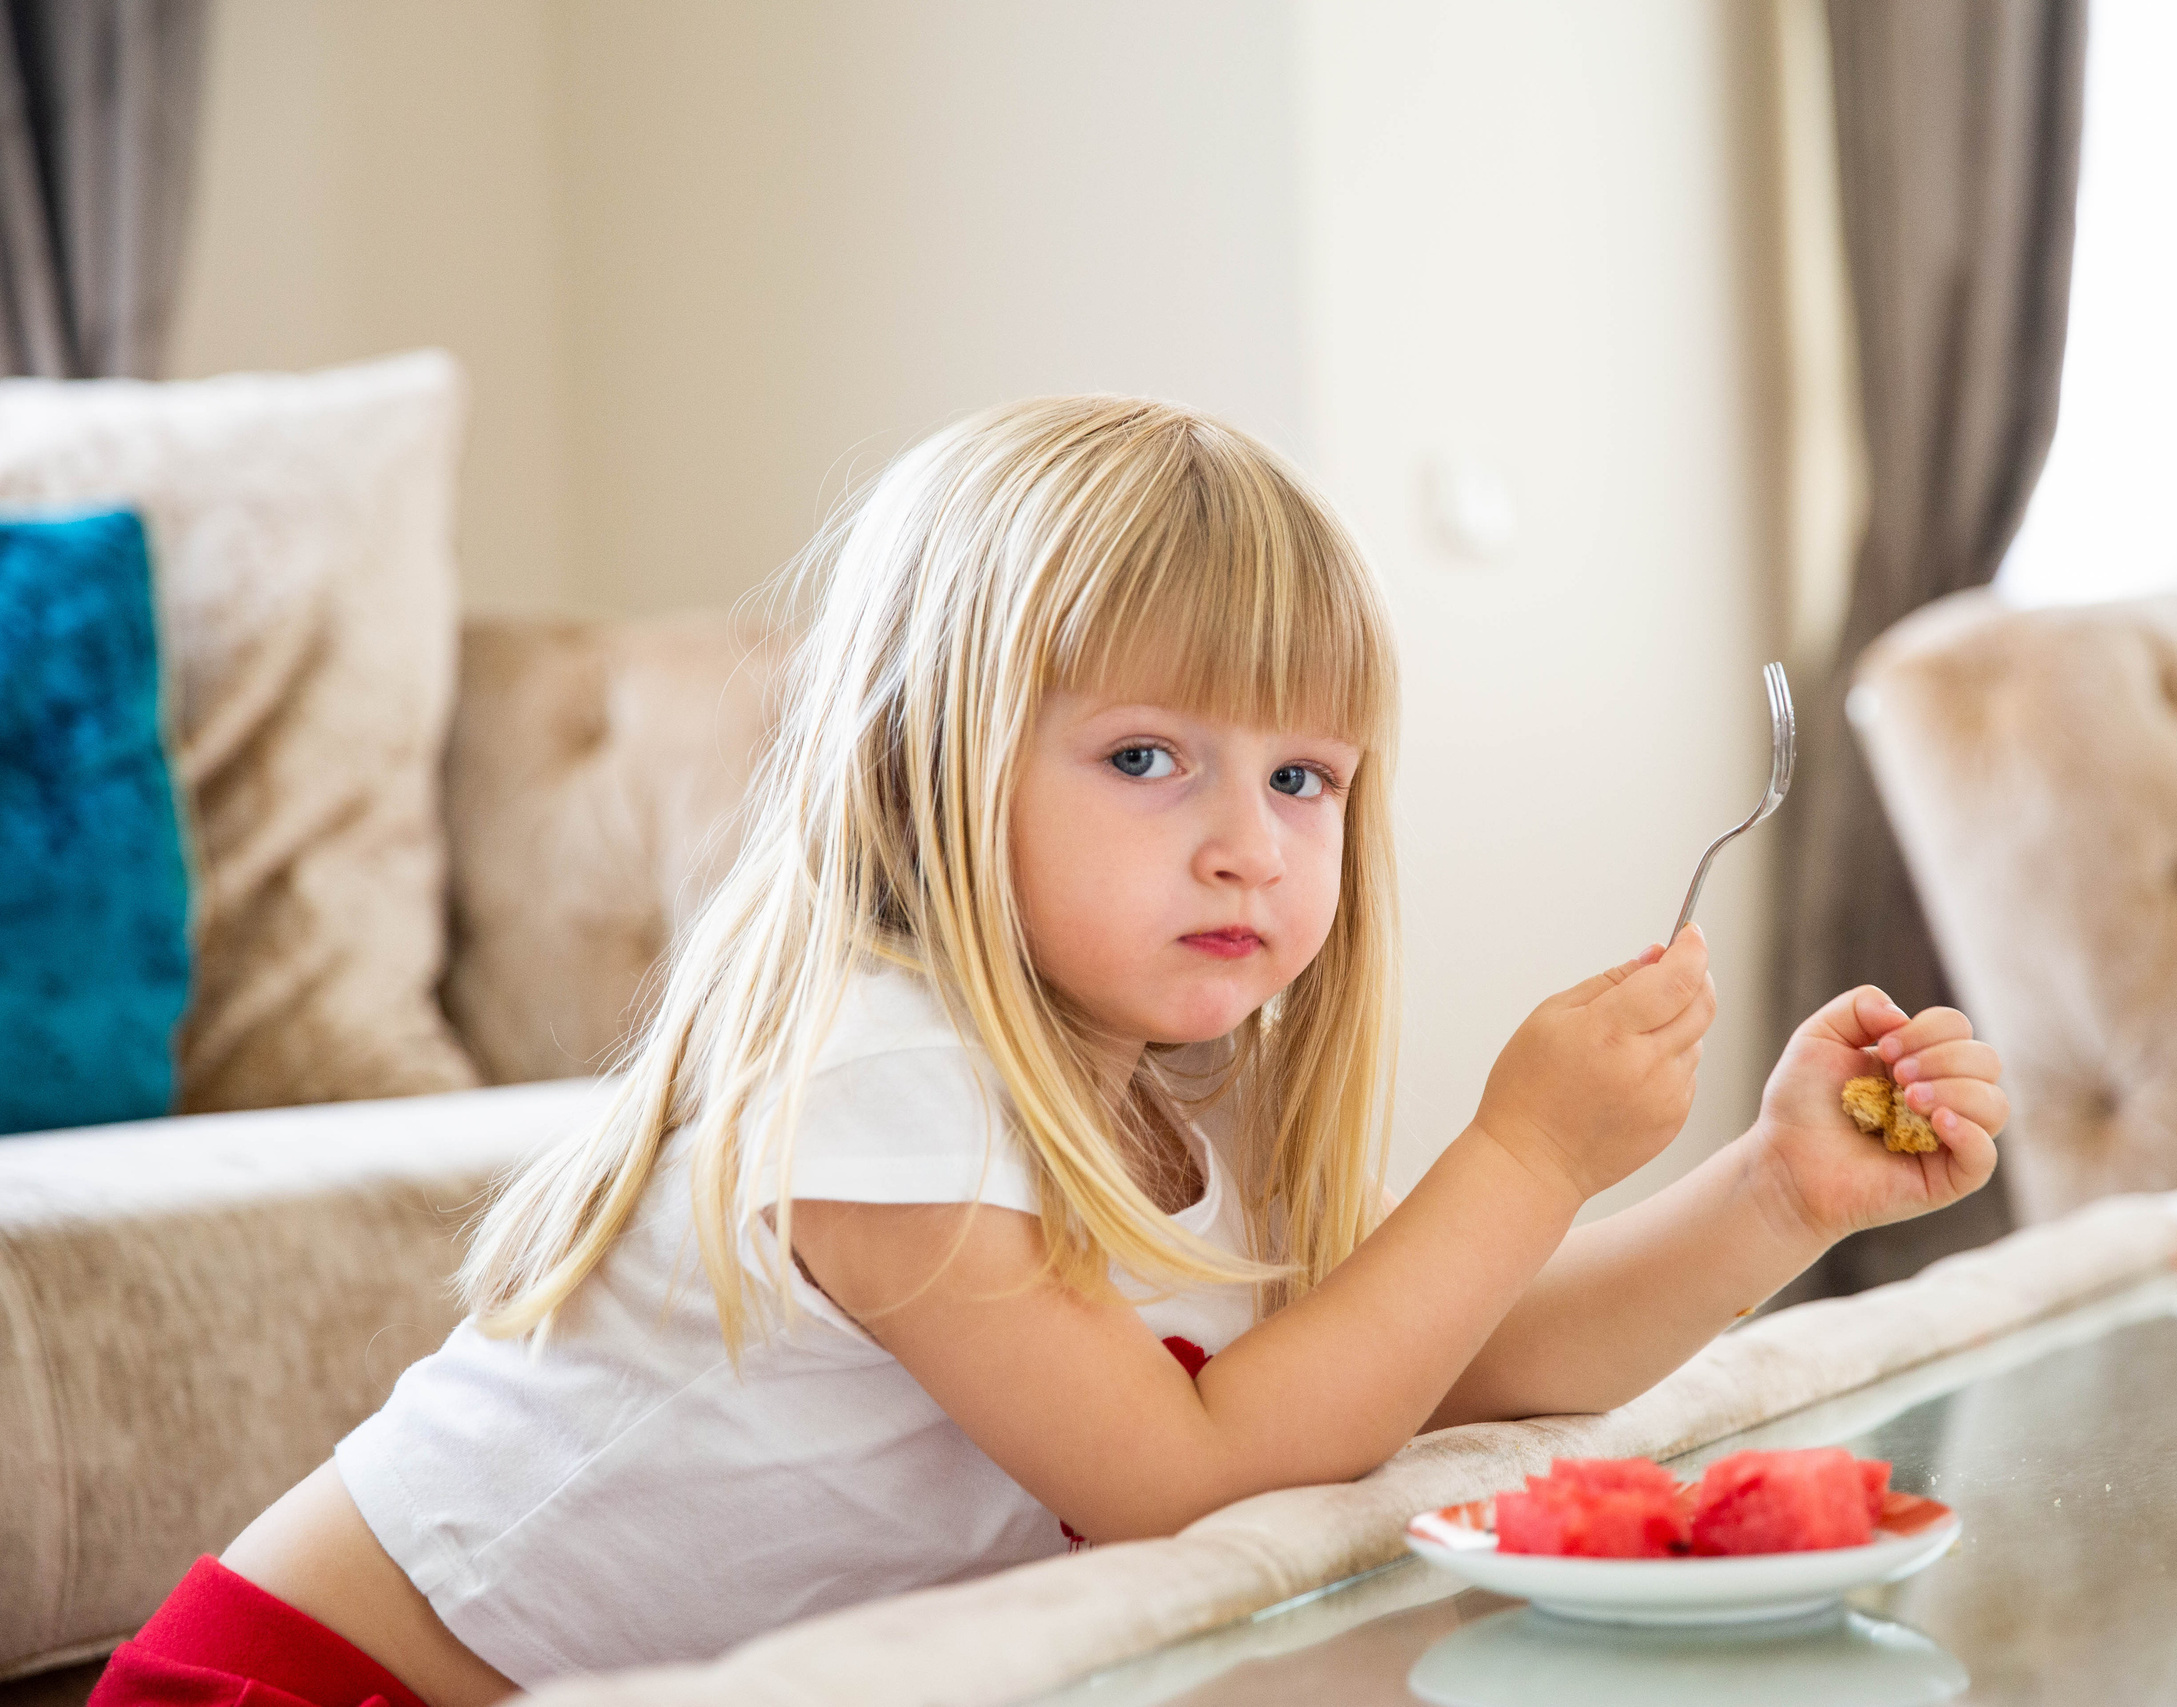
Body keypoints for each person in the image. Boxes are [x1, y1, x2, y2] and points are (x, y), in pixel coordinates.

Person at [93, 396, 2005, 1707]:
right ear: (926, 760)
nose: (1248, 837)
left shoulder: (1167, 1089)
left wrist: (1770, 1194)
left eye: (1304, 776)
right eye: (1146, 758)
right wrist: (1518, 1151)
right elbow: (1187, 1480)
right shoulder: (872, 1077)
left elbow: (1423, 1371)